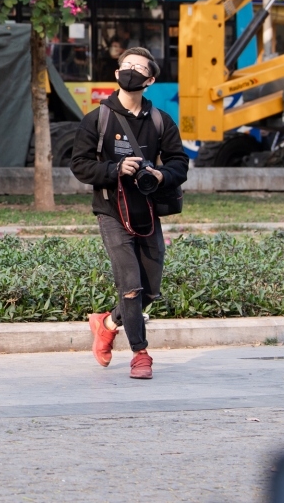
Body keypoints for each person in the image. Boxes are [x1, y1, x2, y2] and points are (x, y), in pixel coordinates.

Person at [70, 47, 189, 380]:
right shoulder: (97, 119)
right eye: (126, 66)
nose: (131, 71)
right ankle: (140, 353)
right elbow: (79, 165)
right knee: (131, 285)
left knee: (150, 288)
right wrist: (116, 168)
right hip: (111, 211)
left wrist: (160, 175)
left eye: (138, 68)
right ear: (117, 73)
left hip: (148, 211)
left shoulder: (160, 121)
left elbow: (180, 163)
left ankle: (106, 324)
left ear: (149, 80)